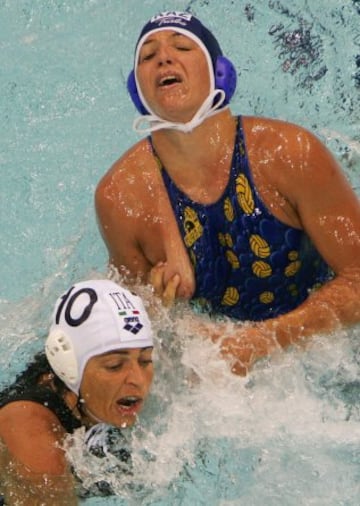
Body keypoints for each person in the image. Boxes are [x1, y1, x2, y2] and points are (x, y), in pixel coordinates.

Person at [95, 11, 360, 375]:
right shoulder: (122, 198)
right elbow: (131, 344)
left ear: (221, 74)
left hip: (332, 347)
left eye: (182, 47)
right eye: (148, 55)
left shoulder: (290, 154)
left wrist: (259, 342)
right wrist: (163, 311)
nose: (164, 58)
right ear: (135, 89)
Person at [0, 279, 154, 505]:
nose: (138, 379)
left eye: (145, 360)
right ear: (70, 367)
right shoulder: (35, 443)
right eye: (114, 366)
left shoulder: (88, 395)